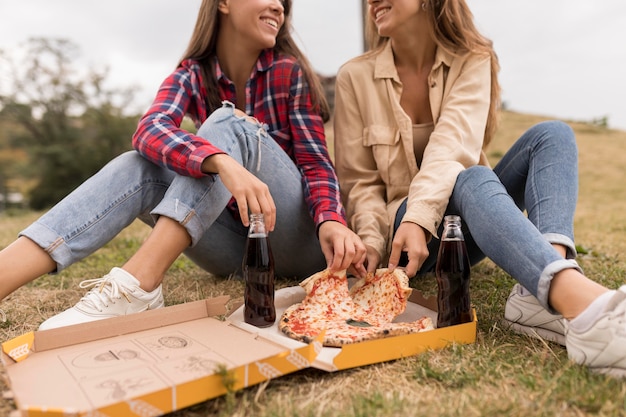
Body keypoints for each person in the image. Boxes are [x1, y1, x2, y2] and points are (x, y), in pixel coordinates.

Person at [0, 0, 366, 330]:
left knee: (227, 122)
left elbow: (317, 164)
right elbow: (149, 130)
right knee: (137, 165)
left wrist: (332, 221)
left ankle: (140, 282)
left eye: (283, 2)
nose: (278, 7)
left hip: (296, 242)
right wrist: (222, 162)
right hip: (234, 250)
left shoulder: (289, 72)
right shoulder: (193, 73)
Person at [333, 0, 625, 376]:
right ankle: (581, 302)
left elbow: (453, 145)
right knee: (467, 175)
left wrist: (424, 212)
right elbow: (361, 183)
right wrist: (373, 243)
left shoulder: (472, 58)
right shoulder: (354, 77)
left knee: (552, 135)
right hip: (409, 240)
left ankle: (548, 279)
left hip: (467, 218)